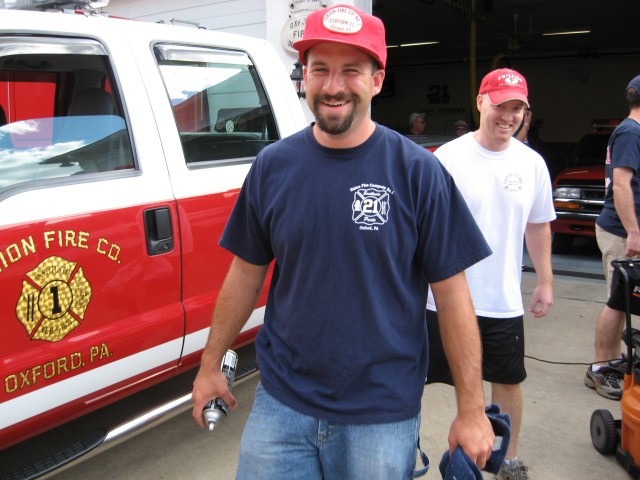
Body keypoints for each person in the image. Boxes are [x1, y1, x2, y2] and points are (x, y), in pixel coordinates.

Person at [191, 4, 495, 479]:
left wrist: (472, 410)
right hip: (282, 404)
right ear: (304, 79)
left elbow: (452, 294)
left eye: (351, 70)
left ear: (376, 80)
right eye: (320, 70)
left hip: (381, 412)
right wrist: (211, 364)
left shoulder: (418, 173)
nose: (333, 86)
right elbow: (246, 273)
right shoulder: (273, 166)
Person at [425, 68, 555, 480]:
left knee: (507, 382)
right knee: (416, 379)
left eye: (518, 108)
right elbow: (423, 226)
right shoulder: (447, 157)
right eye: (501, 105)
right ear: (481, 101)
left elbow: (538, 225)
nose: (509, 116)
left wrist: (546, 281)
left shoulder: (532, 164)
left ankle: (507, 458)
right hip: (439, 299)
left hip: (501, 300)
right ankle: (400, 446)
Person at [585, 73, 640, 401]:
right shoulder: (630, 132)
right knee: (619, 301)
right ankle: (600, 368)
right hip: (622, 231)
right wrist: (633, 231)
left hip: (629, 230)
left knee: (627, 301)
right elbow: (621, 185)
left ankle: (619, 360)